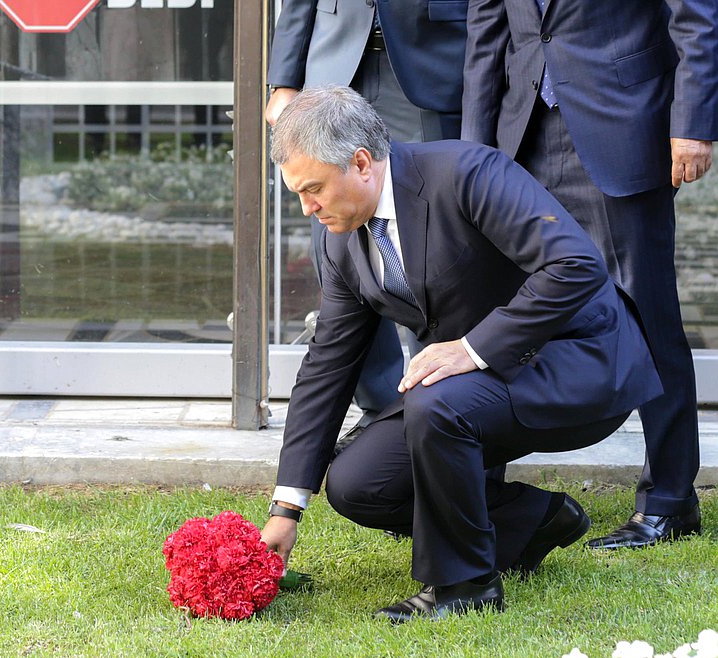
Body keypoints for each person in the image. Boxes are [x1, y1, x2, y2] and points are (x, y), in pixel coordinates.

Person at [259, 86, 662, 622]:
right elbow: (328, 365)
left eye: (313, 190)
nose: (308, 208)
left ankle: (463, 585)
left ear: (360, 163)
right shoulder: (341, 239)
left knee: (436, 402)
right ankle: (534, 520)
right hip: (471, 386)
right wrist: (287, 507)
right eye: (298, 194)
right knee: (359, 484)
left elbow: (574, 266)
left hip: (580, 362)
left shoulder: (468, 172)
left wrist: (474, 348)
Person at [462, 0, 717, 549]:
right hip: (519, 135)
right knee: (500, 312)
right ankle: (476, 493)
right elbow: (486, 31)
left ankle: (670, 501)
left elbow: (696, 16)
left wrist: (693, 123)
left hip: (624, 124)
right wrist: (473, 156)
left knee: (648, 316)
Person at [266, 0, 467, 433]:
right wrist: (283, 80)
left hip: (432, 66)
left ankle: (442, 407)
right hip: (333, 67)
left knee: (431, 241)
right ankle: (382, 411)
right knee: (340, 246)